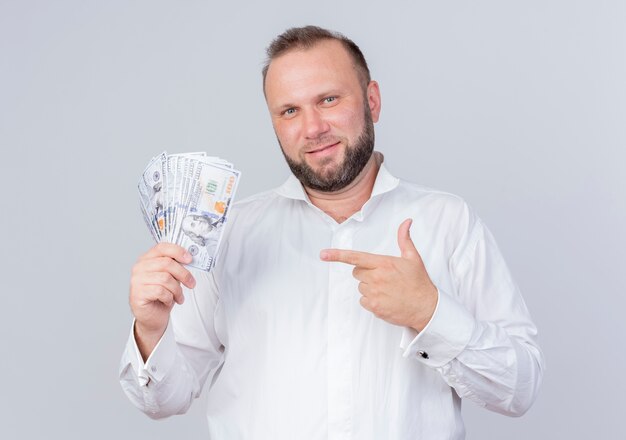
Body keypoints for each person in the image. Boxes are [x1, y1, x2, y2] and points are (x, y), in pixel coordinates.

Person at [120, 26, 544, 439]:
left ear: (372, 101)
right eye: (290, 111)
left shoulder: (449, 222)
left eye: (328, 99)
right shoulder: (229, 234)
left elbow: (518, 389)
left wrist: (429, 312)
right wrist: (150, 331)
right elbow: (164, 401)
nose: (312, 128)